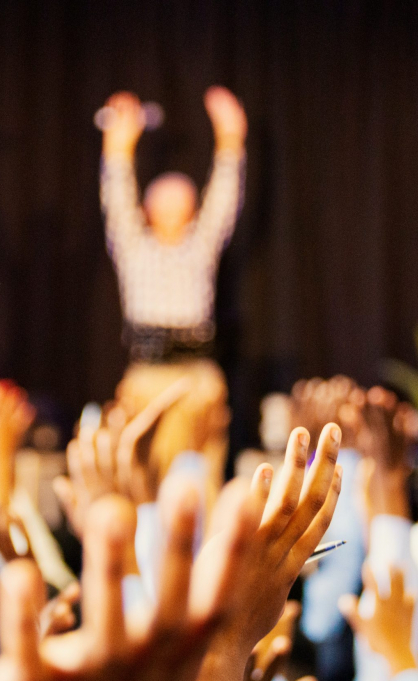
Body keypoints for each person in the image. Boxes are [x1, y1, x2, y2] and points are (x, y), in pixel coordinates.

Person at [98, 86, 246, 495]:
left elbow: (224, 201)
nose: (172, 208)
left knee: (201, 482)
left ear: (193, 209)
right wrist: (118, 145)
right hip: (148, 374)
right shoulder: (134, 247)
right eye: (162, 202)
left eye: (182, 201)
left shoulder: (200, 247)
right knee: (146, 479)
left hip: (197, 376)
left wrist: (230, 138)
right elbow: (117, 196)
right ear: (147, 210)